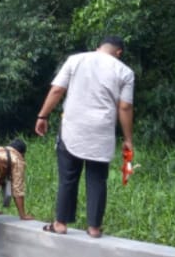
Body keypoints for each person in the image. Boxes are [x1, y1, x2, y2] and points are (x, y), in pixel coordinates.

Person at [35, 34, 134, 238]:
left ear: (99, 47)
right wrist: (128, 139)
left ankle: (60, 223)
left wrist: (42, 116)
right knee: (97, 179)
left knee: (68, 177)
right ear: (119, 52)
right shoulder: (125, 72)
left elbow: (57, 90)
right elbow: (125, 107)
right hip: (102, 131)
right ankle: (94, 228)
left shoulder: (76, 60)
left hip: (73, 129)